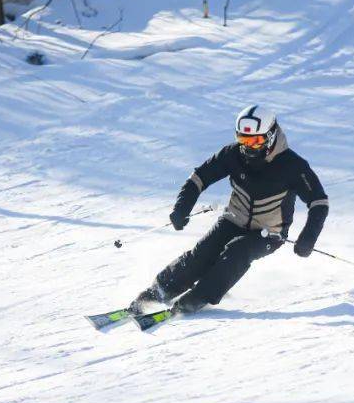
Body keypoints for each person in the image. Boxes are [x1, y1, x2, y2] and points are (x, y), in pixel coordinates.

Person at [131, 105, 329, 315]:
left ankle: (196, 298)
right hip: (233, 219)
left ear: (270, 137)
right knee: (202, 253)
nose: (248, 147)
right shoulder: (233, 154)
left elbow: (319, 202)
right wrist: (182, 207)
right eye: (243, 139)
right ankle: (158, 292)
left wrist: (308, 237)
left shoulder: (292, 165)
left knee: (237, 251)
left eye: (255, 141)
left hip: (268, 234)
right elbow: (199, 178)